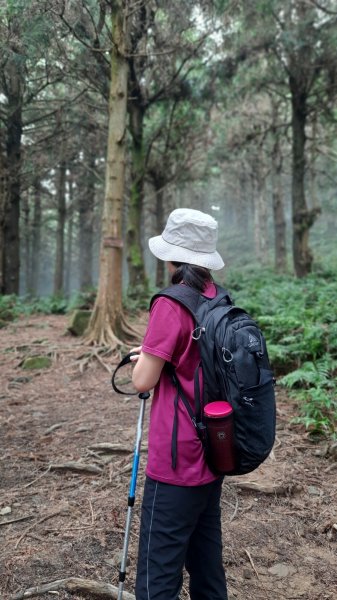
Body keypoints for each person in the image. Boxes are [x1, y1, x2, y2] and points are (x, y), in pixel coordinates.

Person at [131, 208, 228, 600]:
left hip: (175, 463)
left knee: (158, 576)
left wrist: (145, 359)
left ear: (172, 257)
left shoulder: (171, 304)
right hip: (215, 450)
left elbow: (143, 380)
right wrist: (156, 352)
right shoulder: (216, 298)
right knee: (207, 567)